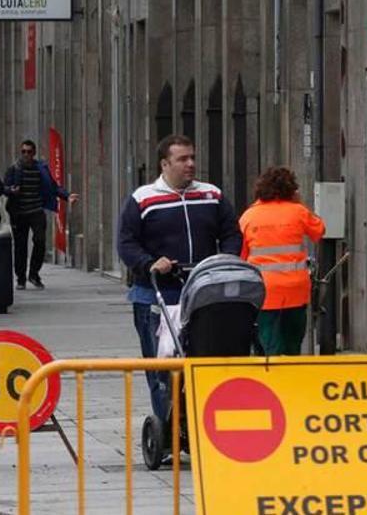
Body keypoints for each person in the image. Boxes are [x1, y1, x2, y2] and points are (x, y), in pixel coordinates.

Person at [117, 134, 241, 420]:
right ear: (164, 163)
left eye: (193, 158)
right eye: (183, 159)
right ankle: (168, 425)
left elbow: (231, 233)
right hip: (157, 294)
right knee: (161, 365)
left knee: (205, 358)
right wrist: (149, 263)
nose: (191, 164)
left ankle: (203, 420)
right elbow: (126, 243)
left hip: (202, 293)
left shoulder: (212, 195)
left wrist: (228, 258)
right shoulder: (143, 199)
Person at [238, 167, 326, 356]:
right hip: (296, 291)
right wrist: (299, 203)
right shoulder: (298, 212)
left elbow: (241, 257)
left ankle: (270, 383)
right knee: (292, 346)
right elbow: (319, 231)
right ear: (291, 190)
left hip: (264, 293)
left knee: (270, 348)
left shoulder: (248, 217)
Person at [3, 139, 77, 290]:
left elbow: (53, 186)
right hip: (19, 213)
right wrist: (11, 191)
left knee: (40, 241)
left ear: (34, 153)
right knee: (20, 246)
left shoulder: (41, 169)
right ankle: (21, 278)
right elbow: (4, 188)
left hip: (36, 210)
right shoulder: (14, 169)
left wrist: (67, 196)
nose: (26, 155)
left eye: (29, 152)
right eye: (23, 151)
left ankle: (34, 273)